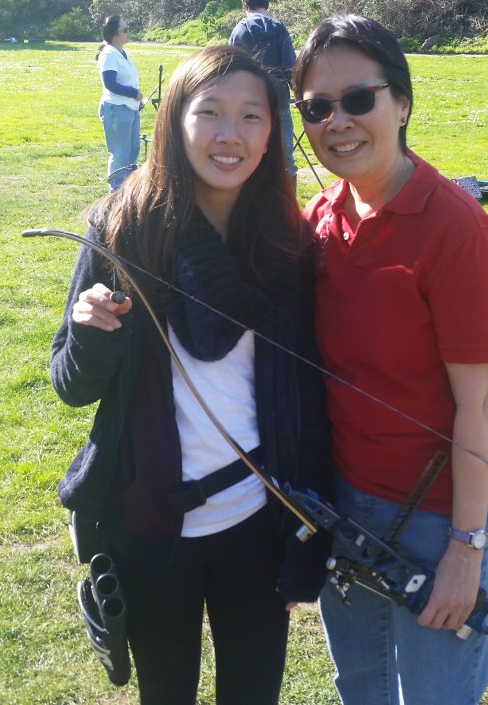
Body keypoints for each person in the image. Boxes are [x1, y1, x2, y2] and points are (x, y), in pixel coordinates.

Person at [49, 45, 331, 705]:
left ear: (272, 132)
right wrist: (93, 335)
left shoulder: (287, 242)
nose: (230, 135)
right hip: (149, 525)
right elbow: (71, 384)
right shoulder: (121, 228)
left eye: (251, 117)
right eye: (210, 113)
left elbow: (306, 402)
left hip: (258, 524)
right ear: (175, 120)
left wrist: (307, 538)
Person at [292, 15, 488, 705]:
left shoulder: (459, 231)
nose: (339, 122)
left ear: (403, 103)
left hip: (433, 516)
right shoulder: (322, 217)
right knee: (359, 686)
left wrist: (464, 551)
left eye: (359, 99)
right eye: (317, 108)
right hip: (340, 502)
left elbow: (477, 405)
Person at [228, 0, 298, 186]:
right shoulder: (279, 28)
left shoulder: (239, 31)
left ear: (245, 6)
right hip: (279, 101)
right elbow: (290, 68)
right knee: (286, 160)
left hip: (248, 104)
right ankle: (288, 211)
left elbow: (230, 70)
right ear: (267, 5)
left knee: (249, 155)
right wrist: (300, 97)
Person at [96, 14, 145, 190]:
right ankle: (115, 194)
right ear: (115, 34)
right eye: (125, 29)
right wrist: (133, 93)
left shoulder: (121, 53)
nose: (128, 32)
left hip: (129, 110)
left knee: (132, 151)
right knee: (120, 155)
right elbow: (110, 84)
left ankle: (127, 192)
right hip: (116, 111)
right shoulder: (108, 54)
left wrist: (137, 102)